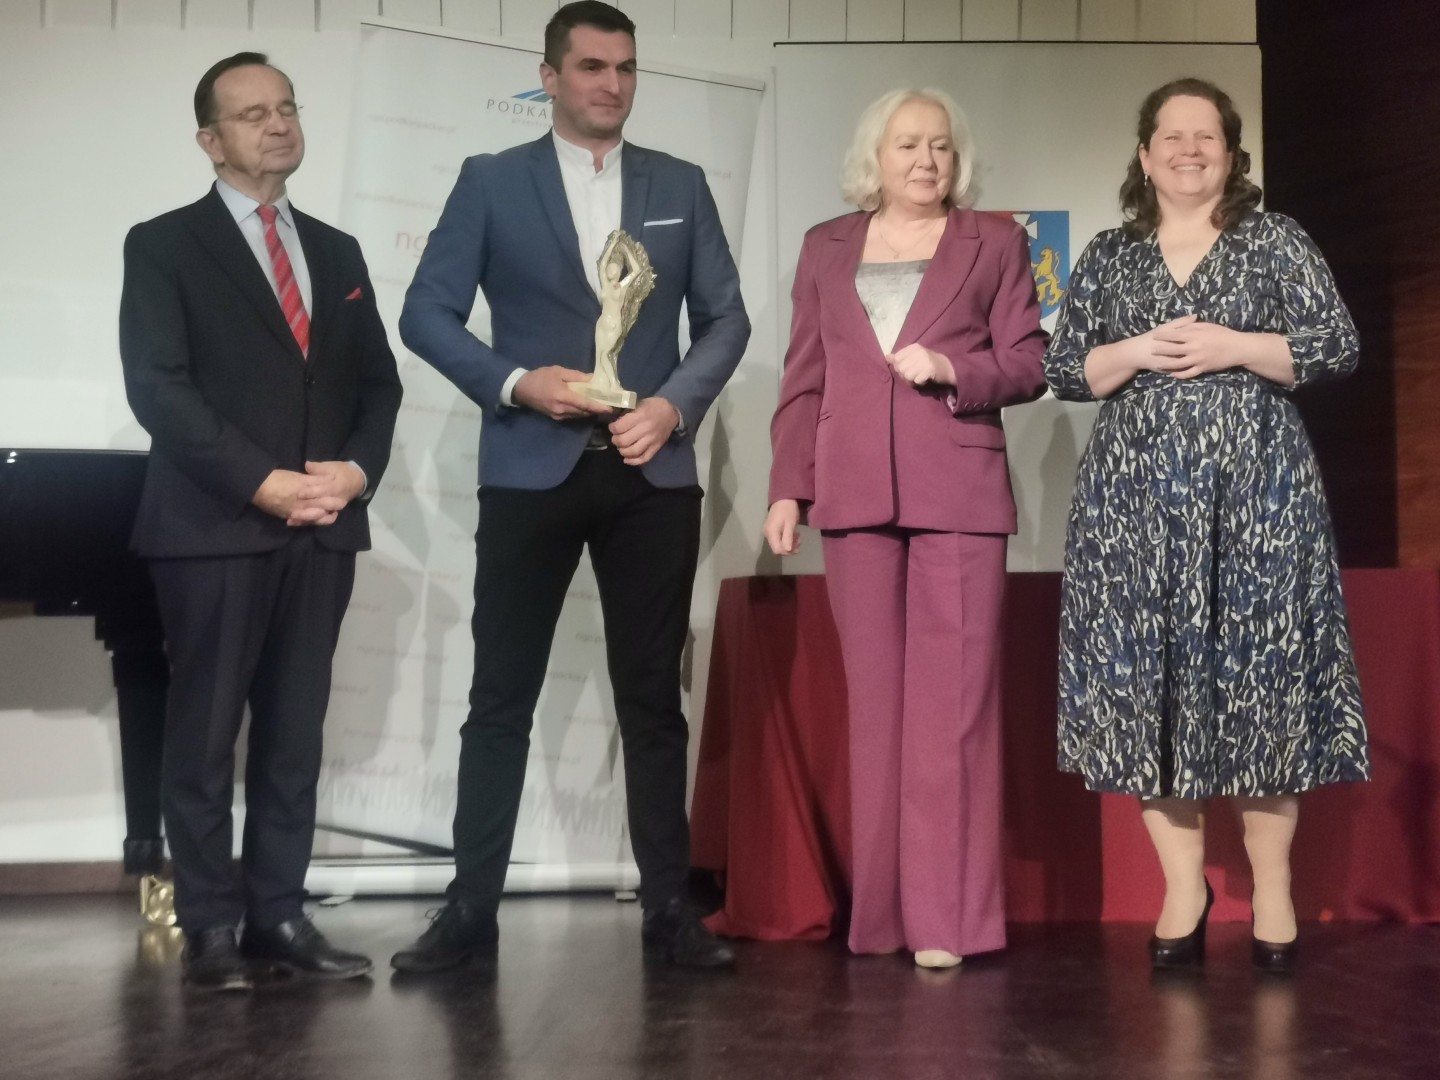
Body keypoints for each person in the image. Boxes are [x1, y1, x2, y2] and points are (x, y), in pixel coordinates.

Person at [393, 0, 750, 971]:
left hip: (650, 470)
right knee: (499, 698)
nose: (612, 84)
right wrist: (517, 381)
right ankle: (469, 915)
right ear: (548, 77)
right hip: (529, 465)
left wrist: (672, 406)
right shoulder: (491, 180)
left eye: (626, 67)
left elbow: (726, 319)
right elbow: (425, 314)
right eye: (592, 66)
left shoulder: (680, 184)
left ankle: (669, 915)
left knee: (653, 702)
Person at [1043, 78, 1370, 972]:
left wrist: (1237, 347)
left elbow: (1337, 345)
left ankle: (1273, 889)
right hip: (1133, 509)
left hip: (1260, 500)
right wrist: (1136, 350)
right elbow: (1065, 369)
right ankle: (1184, 889)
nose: (1189, 150)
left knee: (1263, 682)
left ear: (1231, 153)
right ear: (1144, 155)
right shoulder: (1110, 254)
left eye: (1207, 136)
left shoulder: (1275, 239)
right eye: (1172, 136)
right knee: (1144, 687)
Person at [119, 52, 402, 990]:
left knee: (294, 736)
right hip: (214, 526)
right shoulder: (162, 244)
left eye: (287, 107)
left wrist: (356, 471)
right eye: (252, 114)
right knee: (203, 740)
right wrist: (264, 483)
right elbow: (160, 389)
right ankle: (207, 925)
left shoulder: (338, 250)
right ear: (211, 140)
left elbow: (378, 386)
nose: (278, 124)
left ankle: (278, 915)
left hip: (324, 526)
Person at [764, 88, 1048, 967]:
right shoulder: (825, 246)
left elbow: (1028, 362)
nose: (926, 160)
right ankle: (881, 919)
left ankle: (946, 923)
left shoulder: (995, 240)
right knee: (877, 716)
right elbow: (804, 377)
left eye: (940, 146)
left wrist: (951, 367)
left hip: (957, 496)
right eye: (908, 145)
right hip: (852, 499)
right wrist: (788, 489)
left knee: (950, 715)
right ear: (875, 158)